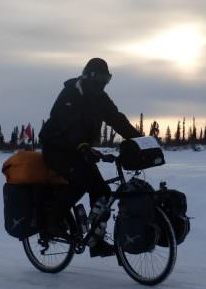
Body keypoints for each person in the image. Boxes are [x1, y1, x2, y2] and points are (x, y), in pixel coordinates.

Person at [39, 58, 143, 256]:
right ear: (90, 76)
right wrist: (82, 144)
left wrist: (140, 139)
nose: (104, 82)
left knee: (102, 192)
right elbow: (67, 123)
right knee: (80, 182)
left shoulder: (101, 99)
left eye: (108, 77)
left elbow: (117, 120)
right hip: (56, 149)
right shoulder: (72, 92)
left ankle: (96, 241)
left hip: (79, 150)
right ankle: (52, 221)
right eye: (102, 77)